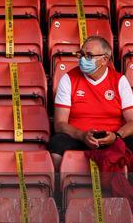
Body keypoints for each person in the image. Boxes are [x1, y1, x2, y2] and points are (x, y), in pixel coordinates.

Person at [49, 36, 133, 170]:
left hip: (113, 138)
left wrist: (116, 136)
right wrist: (82, 135)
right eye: (81, 54)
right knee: (57, 143)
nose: (82, 59)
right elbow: (59, 124)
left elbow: (132, 121)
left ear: (104, 59)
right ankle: (60, 188)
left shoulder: (120, 81)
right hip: (79, 138)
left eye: (88, 56)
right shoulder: (68, 79)